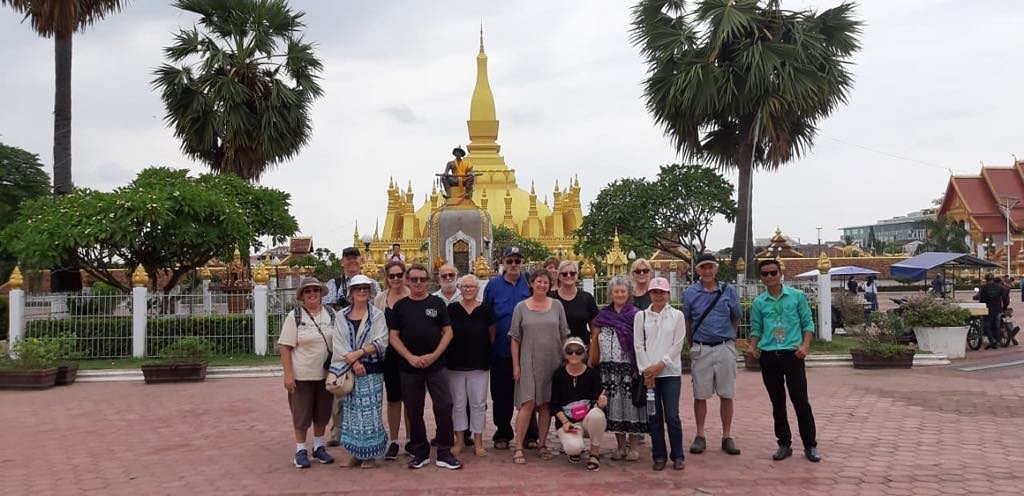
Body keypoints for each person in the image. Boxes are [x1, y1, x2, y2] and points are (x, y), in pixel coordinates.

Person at [387, 263, 462, 470]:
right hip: (409, 366)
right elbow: (393, 336)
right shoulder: (400, 307)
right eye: (414, 279)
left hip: (436, 365)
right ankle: (420, 451)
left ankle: (444, 451)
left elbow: (448, 332)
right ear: (408, 281)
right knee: (414, 409)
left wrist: (434, 355)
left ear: (428, 280)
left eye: (422, 279)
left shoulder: (437, 303)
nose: (418, 283)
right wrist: (410, 357)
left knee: (444, 405)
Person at [746, 259, 821, 463]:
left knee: (800, 401)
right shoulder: (759, 302)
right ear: (761, 277)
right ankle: (784, 444)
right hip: (769, 356)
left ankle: (810, 445)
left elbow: (808, 323)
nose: (769, 277)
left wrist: (805, 346)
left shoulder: (796, 297)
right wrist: (753, 346)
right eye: (764, 274)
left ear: (780, 273)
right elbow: (756, 329)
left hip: (792, 355)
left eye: (772, 272)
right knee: (777, 403)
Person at [683, 253, 742, 457]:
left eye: (710, 267)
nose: (707, 271)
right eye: (703, 267)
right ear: (697, 270)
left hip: (724, 346)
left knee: (727, 393)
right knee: (700, 394)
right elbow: (688, 321)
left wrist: (730, 339)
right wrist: (692, 345)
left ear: (716, 269)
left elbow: (735, 317)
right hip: (701, 347)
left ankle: (727, 435)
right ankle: (700, 435)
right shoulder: (691, 293)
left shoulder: (729, 291)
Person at [327, 275, 388, 468]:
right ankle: (356, 453)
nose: (361, 292)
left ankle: (369, 454)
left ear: (370, 292)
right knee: (352, 413)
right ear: (351, 292)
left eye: (365, 289)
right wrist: (354, 363)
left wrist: (360, 354)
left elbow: (381, 341)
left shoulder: (377, 315)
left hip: (372, 370)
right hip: (349, 370)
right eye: (357, 289)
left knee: (370, 413)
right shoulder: (341, 316)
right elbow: (338, 343)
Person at [509, 270, 570, 465]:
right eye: (538, 282)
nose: (542, 285)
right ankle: (519, 446)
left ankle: (542, 444)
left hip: (553, 361)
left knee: (545, 404)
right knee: (527, 403)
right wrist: (516, 365)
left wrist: (568, 360)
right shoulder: (521, 307)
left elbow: (564, 335)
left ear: (550, 285)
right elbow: (515, 338)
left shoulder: (557, 306)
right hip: (528, 361)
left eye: (545, 282)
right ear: (532, 284)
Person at [482, 246, 538, 451]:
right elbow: (487, 317)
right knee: (501, 394)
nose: (514, 264)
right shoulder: (493, 285)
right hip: (501, 349)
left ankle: (531, 433)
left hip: (528, 350)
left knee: (529, 392)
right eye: (510, 261)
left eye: (517, 260)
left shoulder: (530, 284)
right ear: (503, 263)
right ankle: (503, 432)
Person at [323, 246, 380, 446]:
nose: (351, 263)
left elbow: (377, 310)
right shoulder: (335, 283)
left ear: (360, 261)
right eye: (348, 260)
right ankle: (337, 432)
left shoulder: (371, 283)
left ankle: (367, 434)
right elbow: (327, 308)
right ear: (342, 262)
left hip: (366, 342)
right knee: (341, 388)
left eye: (355, 259)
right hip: (343, 338)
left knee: (367, 395)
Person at [278, 277, 336, 468]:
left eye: (316, 291)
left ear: (321, 294)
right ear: (302, 295)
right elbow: (285, 347)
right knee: (301, 414)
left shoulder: (331, 314)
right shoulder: (295, 316)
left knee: (322, 413)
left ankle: (319, 446)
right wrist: (288, 375)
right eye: (308, 291)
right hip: (302, 375)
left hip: (325, 375)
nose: (312, 294)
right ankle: (300, 450)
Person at [591, 275, 646, 462]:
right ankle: (620, 446)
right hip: (609, 369)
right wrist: (594, 361)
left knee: (630, 407)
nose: (620, 294)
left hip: (629, 367)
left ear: (629, 293)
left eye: (623, 291)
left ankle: (633, 447)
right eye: (616, 291)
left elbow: (641, 340)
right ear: (610, 294)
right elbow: (595, 338)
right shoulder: (603, 315)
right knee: (614, 407)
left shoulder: (636, 314)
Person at [634, 277, 686, 471]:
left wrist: (660, 365)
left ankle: (678, 455)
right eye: (655, 292)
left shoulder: (677, 316)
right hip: (649, 376)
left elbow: (677, 345)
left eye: (662, 292)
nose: (658, 296)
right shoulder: (642, 316)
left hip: (670, 373)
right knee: (654, 416)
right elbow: (638, 344)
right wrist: (647, 370)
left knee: (672, 416)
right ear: (649, 294)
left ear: (668, 294)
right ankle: (659, 455)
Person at [446, 274, 495, 457]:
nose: (468, 290)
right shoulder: (452, 309)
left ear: (477, 289)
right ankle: (459, 440)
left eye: (471, 287)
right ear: (460, 288)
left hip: (479, 363)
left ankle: (478, 442)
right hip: (455, 364)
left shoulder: (486, 310)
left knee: (478, 404)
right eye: (465, 286)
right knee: (458, 404)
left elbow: (492, 334)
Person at [550, 337, 608, 472]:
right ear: (565, 354)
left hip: (587, 420)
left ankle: (594, 454)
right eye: (570, 351)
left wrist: (601, 403)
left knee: (597, 415)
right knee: (573, 448)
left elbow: (596, 400)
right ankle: (576, 448)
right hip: (568, 422)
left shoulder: (592, 374)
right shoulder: (558, 374)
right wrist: (565, 422)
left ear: (584, 353)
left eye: (578, 351)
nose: (574, 355)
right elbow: (555, 404)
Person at [374, 260, 412, 459]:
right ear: (387, 278)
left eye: (399, 275)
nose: (396, 279)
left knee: (411, 398)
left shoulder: (413, 294)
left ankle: (411, 440)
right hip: (389, 355)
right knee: (394, 398)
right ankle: (394, 440)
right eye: (392, 276)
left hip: (410, 354)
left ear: (405, 275)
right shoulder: (380, 299)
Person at [549, 260, 599, 348]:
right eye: (564, 274)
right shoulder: (551, 298)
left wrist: (593, 349)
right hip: (556, 349)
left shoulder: (587, 298)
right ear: (559, 276)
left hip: (581, 351)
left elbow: (595, 328)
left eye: (572, 273)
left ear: (577, 275)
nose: (568, 276)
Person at [977, 273, 1005, 350]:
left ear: (986, 279)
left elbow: (981, 300)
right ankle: (996, 341)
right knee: (996, 325)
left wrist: (981, 307)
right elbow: (1005, 298)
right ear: (993, 279)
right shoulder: (1000, 287)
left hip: (988, 309)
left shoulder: (984, 287)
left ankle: (992, 340)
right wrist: (1004, 307)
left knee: (987, 326)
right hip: (998, 309)